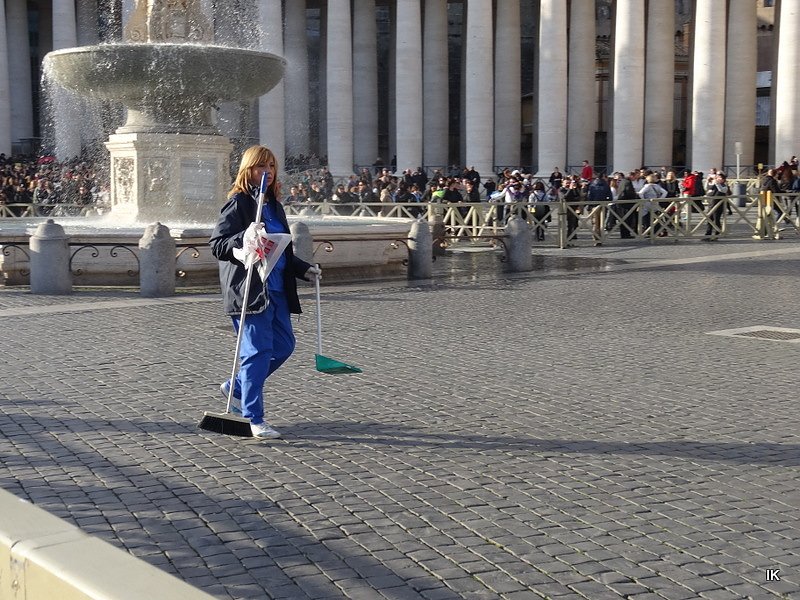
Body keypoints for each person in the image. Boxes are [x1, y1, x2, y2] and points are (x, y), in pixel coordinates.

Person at [209, 145, 319, 439]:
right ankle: (253, 417)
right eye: (261, 167)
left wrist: (303, 269)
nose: (267, 173)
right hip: (251, 291)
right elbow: (218, 245)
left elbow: (279, 250)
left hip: (277, 289)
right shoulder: (239, 203)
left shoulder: (273, 205)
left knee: (284, 346)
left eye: (271, 167)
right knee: (257, 353)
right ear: (248, 171)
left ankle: (236, 387)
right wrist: (243, 238)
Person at [703, 172, 730, 241]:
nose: (718, 179)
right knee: (709, 220)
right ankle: (707, 235)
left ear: (723, 179)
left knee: (716, 220)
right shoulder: (715, 185)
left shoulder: (724, 186)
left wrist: (717, 183)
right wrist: (707, 180)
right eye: (717, 177)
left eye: (720, 178)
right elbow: (707, 188)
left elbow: (722, 190)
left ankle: (716, 234)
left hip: (719, 206)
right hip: (711, 204)